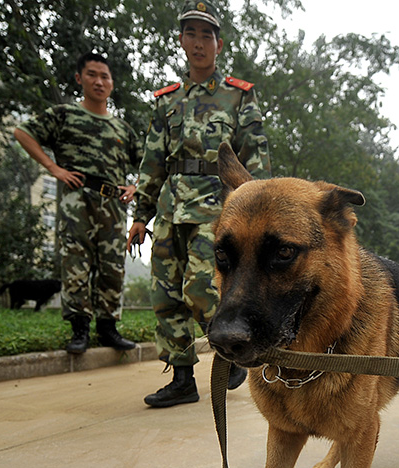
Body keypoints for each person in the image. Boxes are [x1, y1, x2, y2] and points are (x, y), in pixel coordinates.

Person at [127, 0, 271, 408]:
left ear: (218, 44)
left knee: (202, 288)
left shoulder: (238, 97)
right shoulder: (166, 101)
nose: (198, 41)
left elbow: (255, 159)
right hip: (171, 209)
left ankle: (236, 352)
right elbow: (152, 161)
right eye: (191, 33)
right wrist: (140, 215)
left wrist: (252, 213)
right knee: (166, 294)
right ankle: (182, 378)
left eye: (206, 34)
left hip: (217, 210)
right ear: (181, 40)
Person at [14, 52, 141, 354]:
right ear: (79, 78)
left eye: (105, 76)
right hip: (76, 199)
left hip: (112, 204)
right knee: (75, 262)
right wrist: (53, 168)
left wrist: (136, 186)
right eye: (92, 74)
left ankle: (108, 327)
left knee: (113, 267)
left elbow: (148, 163)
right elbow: (23, 132)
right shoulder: (65, 115)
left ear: (111, 83)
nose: (99, 81)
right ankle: (79, 329)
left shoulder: (122, 129)